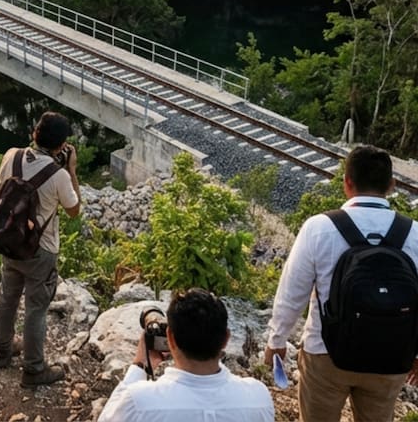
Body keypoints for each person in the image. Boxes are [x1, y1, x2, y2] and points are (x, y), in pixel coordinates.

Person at [265, 144, 418, 421]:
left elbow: (293, 291)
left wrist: (277, 340)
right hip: (390, 356)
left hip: (326, 354)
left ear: (347, 183)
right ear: (392, 185)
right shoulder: (414, 233)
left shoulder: (319, 227)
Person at [0, 110, 81, 386]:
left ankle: (4, 352)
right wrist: (71, 170)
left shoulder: (11, 156)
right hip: (41, 251)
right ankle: (33, 370)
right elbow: (73, 210)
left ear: (34, 133)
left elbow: (3, 185)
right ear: (60, 146)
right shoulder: (59, 176)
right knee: (36, 309)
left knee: (7, 297)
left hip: (10, 242)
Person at [98, 289, 274, 421]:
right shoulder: (258, 397)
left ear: (170, 338)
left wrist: (140, 365)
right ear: (226, 338)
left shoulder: (138, 403)